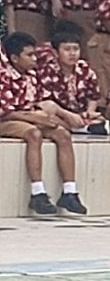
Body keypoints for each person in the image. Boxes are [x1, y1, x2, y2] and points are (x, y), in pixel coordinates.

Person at [2, 32, 83, 216]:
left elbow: (41, 101)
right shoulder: (3, 76)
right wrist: (35, 118)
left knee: (62, 134)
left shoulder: (32, 75)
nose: (34, 59)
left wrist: (49, 116)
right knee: (34, 134)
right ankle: (37, 193)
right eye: (29, 55)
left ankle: (70, 191)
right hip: (7, 120)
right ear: (14, 58)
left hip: (29, 117)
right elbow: (6, 112)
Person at [42, 29, 106, 135]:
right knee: (46, 112)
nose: (72, 53)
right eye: (67, 49)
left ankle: (81, 126)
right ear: (56, 52)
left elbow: (93, 97)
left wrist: (89, 112)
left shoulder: (86, 70)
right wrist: (68, 116)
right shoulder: (47, 71)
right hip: (61, 114)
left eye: (76, 49)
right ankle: (75, 128)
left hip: (80, 114)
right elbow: (46, 102)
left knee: (100, 119)